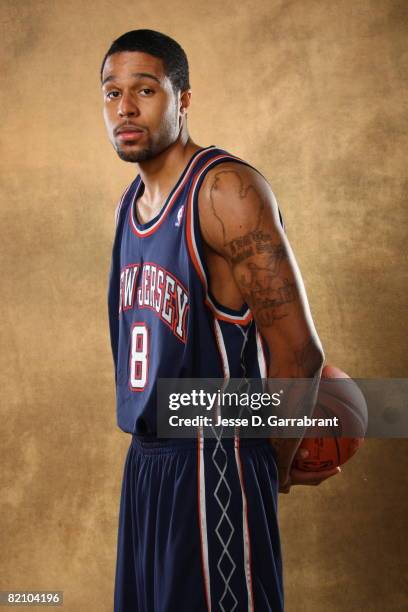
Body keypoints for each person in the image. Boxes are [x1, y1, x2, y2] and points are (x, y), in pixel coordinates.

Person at [102, 29, 340, 612]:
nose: (125, 108)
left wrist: (270, 465)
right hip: (146, 466)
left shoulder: (225, 192)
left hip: (215, 460)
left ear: (182, 99)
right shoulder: (127, 210)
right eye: (111, 93)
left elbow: (299, 354)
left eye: (146, 90)